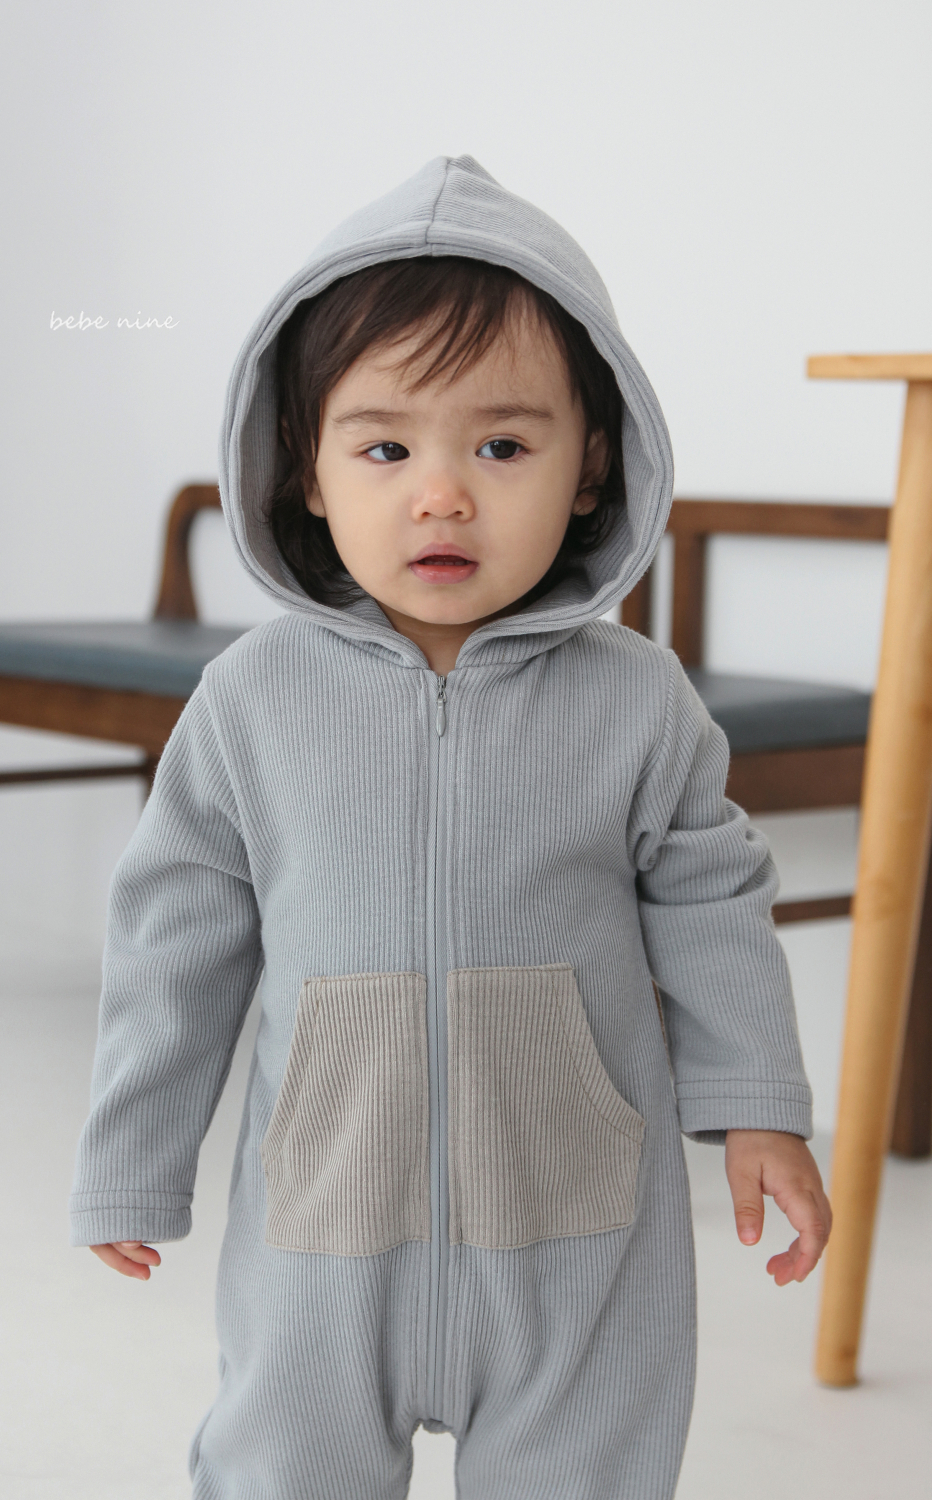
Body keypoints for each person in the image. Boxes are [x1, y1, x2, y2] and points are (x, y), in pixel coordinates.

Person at [70, 155, 832, 1500]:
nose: (442, 494)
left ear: (591, 469)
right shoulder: (250, 702)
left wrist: (759, 1107)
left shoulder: (637, 701)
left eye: (502, 446)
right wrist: (134, 1157)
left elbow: (713, 903)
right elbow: (173, 943)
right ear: (307, 471)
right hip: (325, 1231)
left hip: (574, 1234)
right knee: (279, 1472)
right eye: (385, 448)